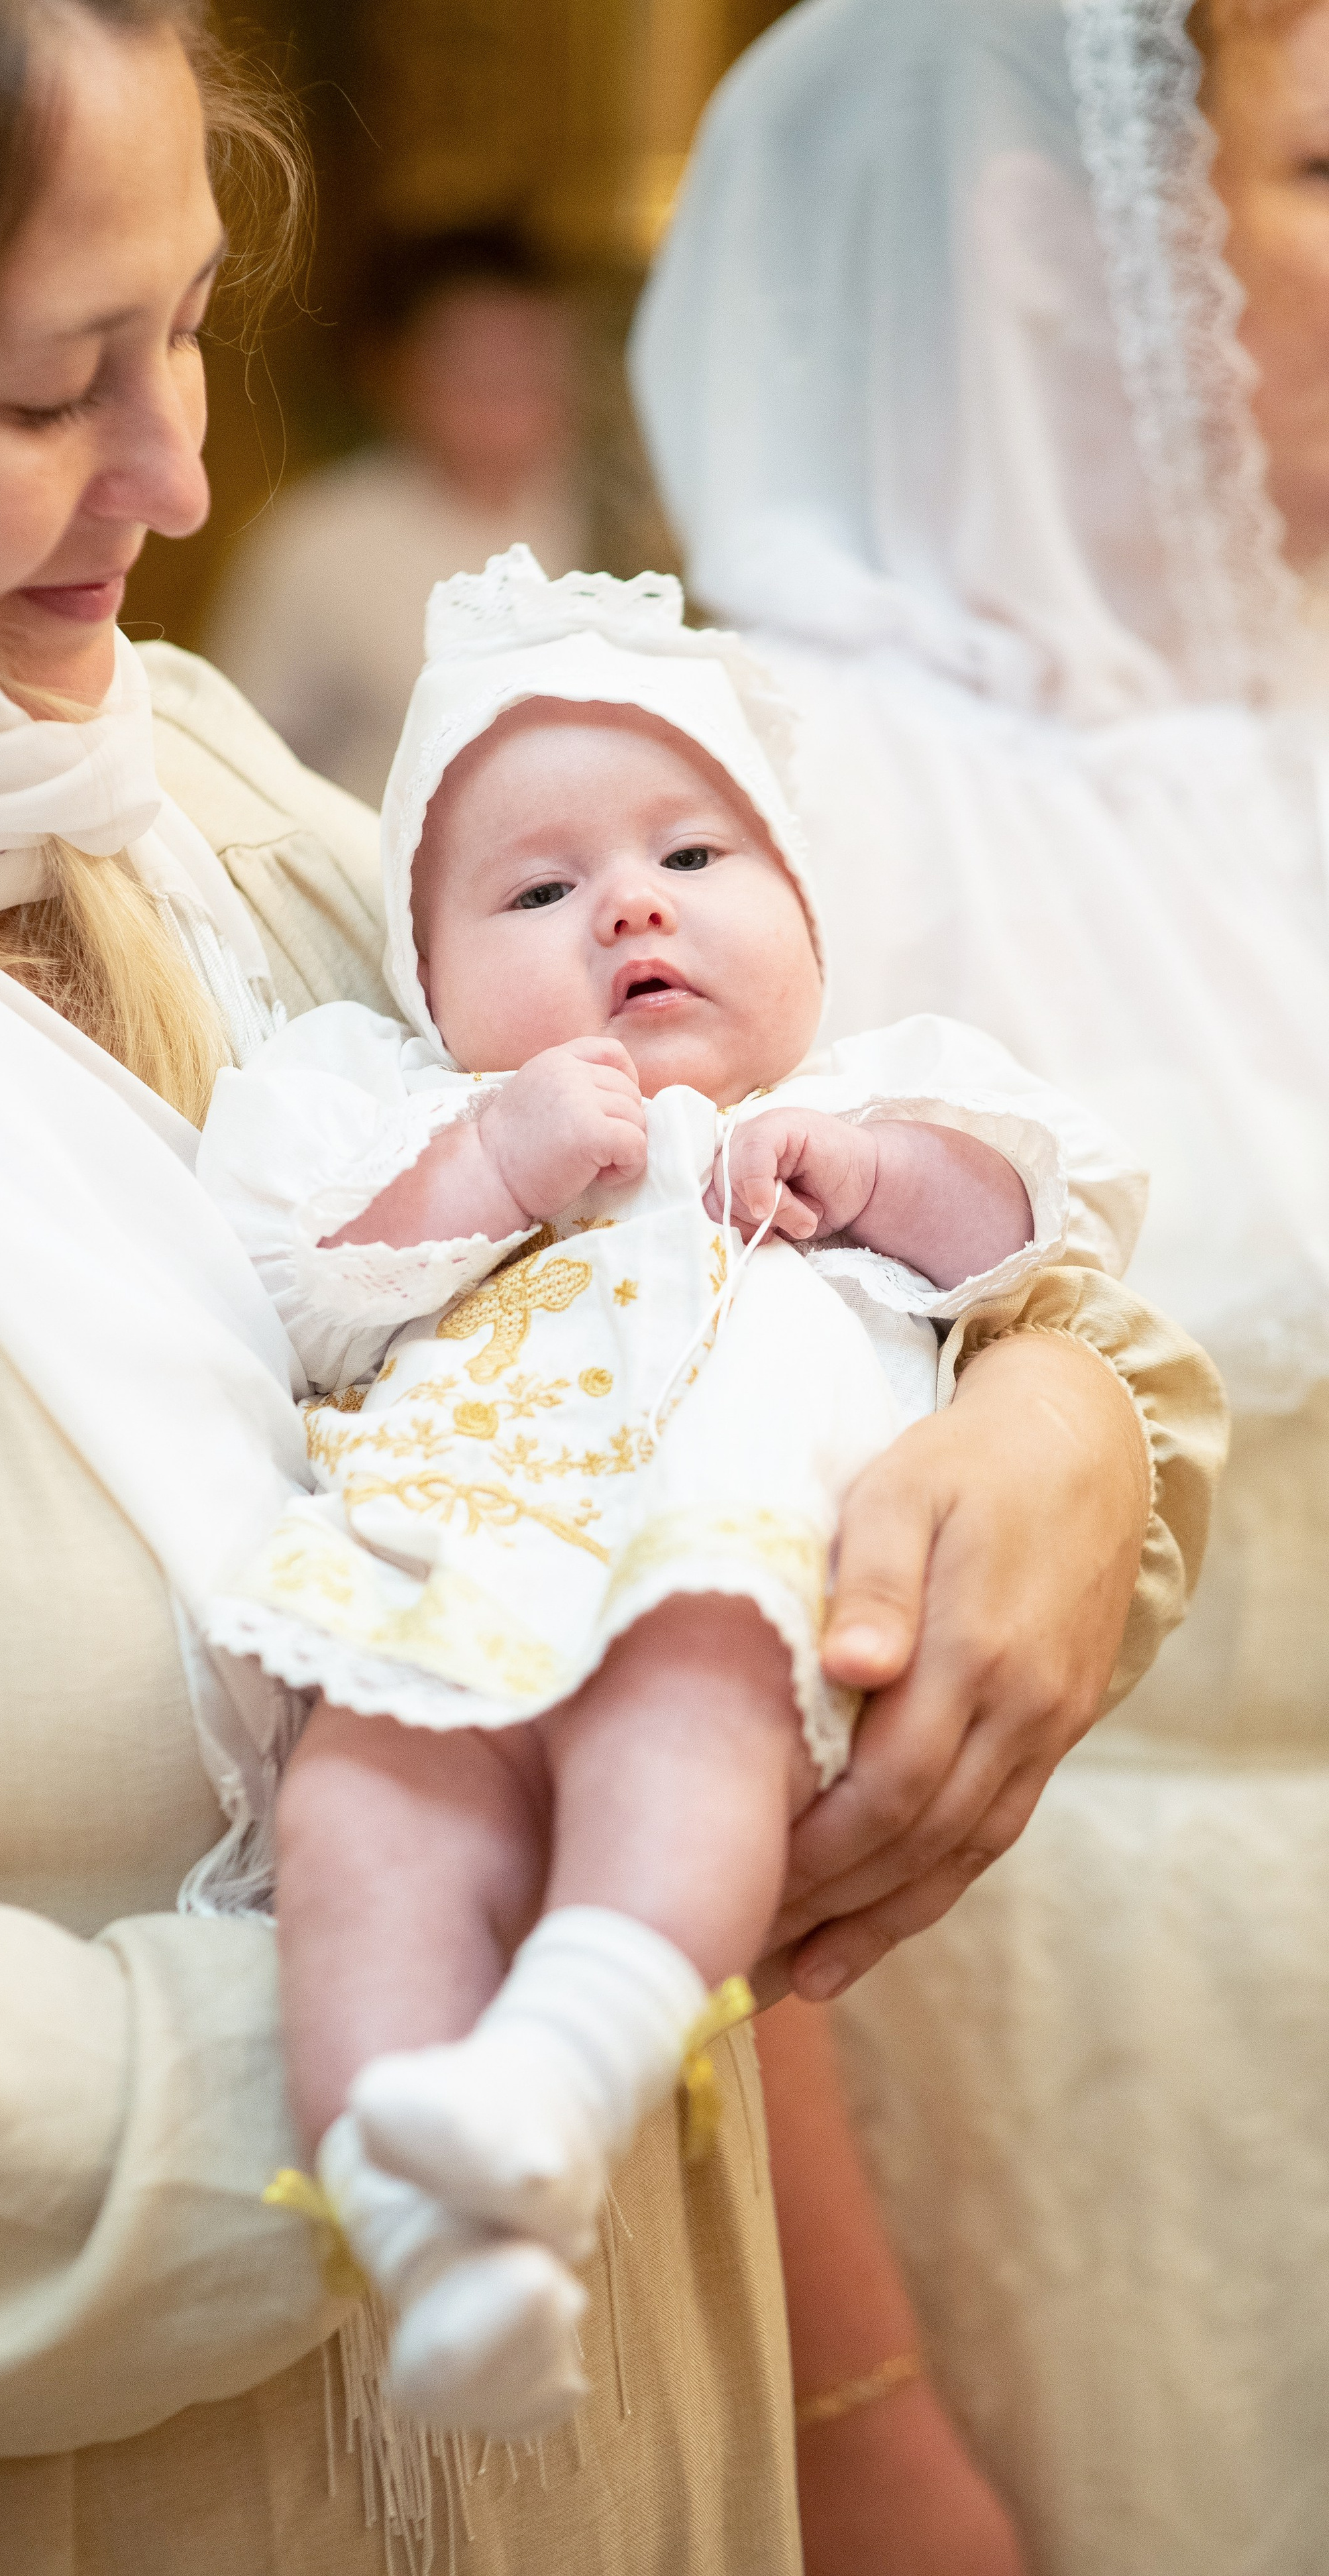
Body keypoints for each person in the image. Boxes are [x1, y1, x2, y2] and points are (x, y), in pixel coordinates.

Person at [0, 1, 1218, 2571]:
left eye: (187, 329)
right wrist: (547, 1966)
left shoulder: (181, 782)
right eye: (48, 391)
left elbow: (712, 1203)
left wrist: (1067, 1431)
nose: (185, 473)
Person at [195, 542, 1144, 2443]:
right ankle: (422, 2216)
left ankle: (563, 2070)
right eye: (539, 890)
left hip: (710, 1575)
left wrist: (872, 1172)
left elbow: (1049, 1236)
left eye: (696, 860)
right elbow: (288, 1280)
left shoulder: (887, 1090)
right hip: (435, 1576)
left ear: (801, 902)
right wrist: (485, 1163)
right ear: (425, 973)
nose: (629, 903)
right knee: (359, 1816)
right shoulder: (391, 1100)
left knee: (683, 1731)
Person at [631, 1, 1329, 2571]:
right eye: (1318, 165)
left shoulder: (1293, 738)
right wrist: (858, 2414)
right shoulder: (774, 794)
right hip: (1026, 2068)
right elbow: (666, 1612)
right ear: (1065, 248)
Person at [206, 227, 586, 804]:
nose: (504, 402)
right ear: (394, 372)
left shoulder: (587, 510)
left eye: (526, 367)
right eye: (471, 375)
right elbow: (241, 759)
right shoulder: (319, 539)